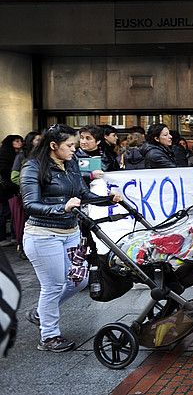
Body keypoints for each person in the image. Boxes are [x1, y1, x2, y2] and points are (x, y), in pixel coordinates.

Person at [21, 124, 121, 352]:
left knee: (79, 279)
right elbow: (30, 205)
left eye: (75, 145)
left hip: (71, 233)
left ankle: (41, 312)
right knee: (54, 284)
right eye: (69, 145)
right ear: (53, 146)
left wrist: (107, 199)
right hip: (43, 235)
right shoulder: (33, 167)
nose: (74, 149)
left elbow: (83, 194)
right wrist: (62, 208)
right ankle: (49, 337)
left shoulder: (71, 164)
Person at [10, 131, 41, 259]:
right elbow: (14, 176)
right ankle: (23, 248)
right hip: (26, 195)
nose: (39, 142)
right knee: (25, 223)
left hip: (42, 194)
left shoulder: (43, 155)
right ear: (30, 141)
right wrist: (29, 184)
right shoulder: (22, 156)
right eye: (37, 140)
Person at [0, 135, 23, 247]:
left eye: (20, 141)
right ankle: (3, 237)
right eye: (17, 141)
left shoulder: (17, 154)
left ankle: (13, 236)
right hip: (5, 189)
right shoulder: (5, 155)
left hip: (11, 188)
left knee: (12, 212)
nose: (20, 143)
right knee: (4, 213)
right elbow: (5, 172)